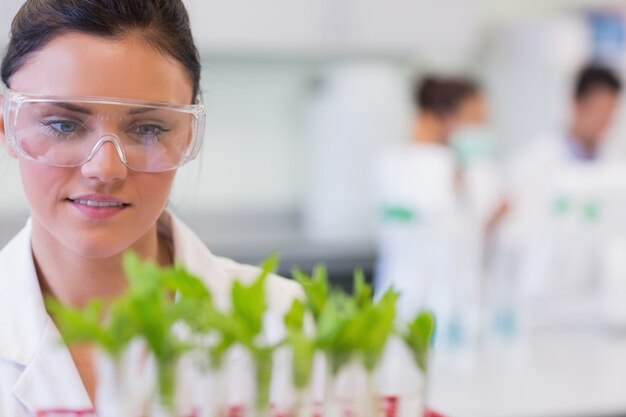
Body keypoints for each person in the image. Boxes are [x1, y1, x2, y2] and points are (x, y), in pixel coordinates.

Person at [0, 0, 301, 415]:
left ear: (186, 136)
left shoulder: (287, 324)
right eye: (63, 124)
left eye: (148, 129)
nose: (104, 168)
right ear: (7, 126)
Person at [496, 64, 624, 327]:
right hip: (539, 306)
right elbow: (511, 237)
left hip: (598, 306)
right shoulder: (531, 163)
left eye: (610, 114)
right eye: (597, 111)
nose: (604, 122)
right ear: (576, 105)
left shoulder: (616, 166)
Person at [373, 76, 490, 334]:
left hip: (447, 314)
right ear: (444, 119)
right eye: (475, 118)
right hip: (416, 310)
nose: (482, 128)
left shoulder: (457, 168)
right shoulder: (424, 165)